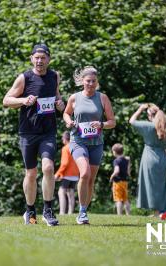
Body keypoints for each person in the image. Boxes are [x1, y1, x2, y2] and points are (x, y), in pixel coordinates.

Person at [3, 44, 65, 226]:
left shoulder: (55, 76)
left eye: (43, 58)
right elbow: (6, 100)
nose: (39, 61)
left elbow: (56, 97)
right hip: (28, 132)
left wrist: (60, 105)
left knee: (48, 168)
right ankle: (30, 210)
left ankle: (48, 210)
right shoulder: (24, 78)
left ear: (49, 59)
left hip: (48, 132)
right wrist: (23, 100)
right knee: (31, 173)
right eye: (36, 57)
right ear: (31, 59)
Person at [63, 66, 116, 225]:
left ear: (97, 82)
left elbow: (112, 122)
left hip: (96, 143)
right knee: (84, 173)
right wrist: (69, 121)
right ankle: (81, 212)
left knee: (91, 179)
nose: (91, 84)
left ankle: (84, 211)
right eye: (88, 81)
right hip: (78, 141)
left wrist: (101, 124)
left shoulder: (102, 98)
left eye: (93, 81)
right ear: (82, 81)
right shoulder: (74, 98)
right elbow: (66, 113)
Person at [129, 103, 166, 216]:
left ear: (150, 116)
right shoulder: (164, 127)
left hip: (150, 157)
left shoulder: (149, 126)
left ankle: (157, 212)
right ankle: (158, 212)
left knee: (151, 186)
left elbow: (131, 121)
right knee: (160, 186)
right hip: (162, 158)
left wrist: (140, 109)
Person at [54, 131, 79, 215]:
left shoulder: (65, 148)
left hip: (67, 175)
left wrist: (57, 174)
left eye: (62, 138)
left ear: (65, 139)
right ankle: (70, 212)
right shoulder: (75, 147)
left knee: (61, 192)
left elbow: (65, 163)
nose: (62, 140)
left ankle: (62, 212)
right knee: (71, 192)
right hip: (75, 175)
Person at [109, 143, 131, 215]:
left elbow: (117, 170)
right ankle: (128, 214)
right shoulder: (126, 160)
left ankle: (119, 214)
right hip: (125, 182)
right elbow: (128, 171)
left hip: (117, 182)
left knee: (118, 199)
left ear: (114, 152)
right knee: (125, 199)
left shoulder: (116, 161)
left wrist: (112, 176)